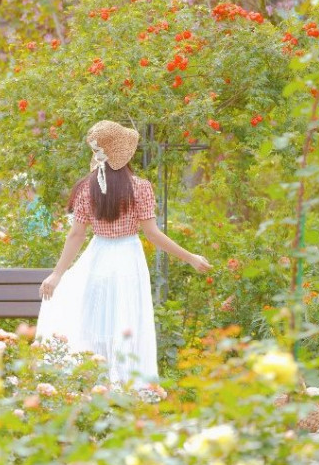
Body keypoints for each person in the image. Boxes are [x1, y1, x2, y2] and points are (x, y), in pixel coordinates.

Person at [36, 120, 210, 387]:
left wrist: (57, 274)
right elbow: (153, 234)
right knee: (128, 322)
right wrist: (190, 257)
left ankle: (96, 385)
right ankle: (128, 387)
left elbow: (77, 235)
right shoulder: (140, 187)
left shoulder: (86, 187)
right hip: (128, 259)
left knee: (95, 322)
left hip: (98, 258)